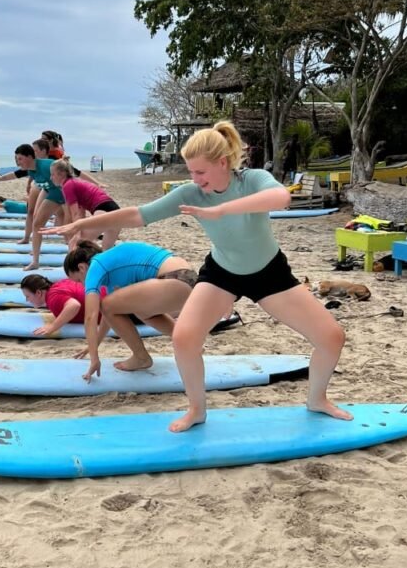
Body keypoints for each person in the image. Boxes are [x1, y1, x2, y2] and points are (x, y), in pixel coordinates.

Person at [45, 120, 350, 432]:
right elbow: (139, 214)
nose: (195, 178)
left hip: (270, 273)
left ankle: (317, 399)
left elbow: (281, 197)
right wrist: (81, 225)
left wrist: (224, 209)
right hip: (221, 273)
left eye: (200, 171)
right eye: (191, 171)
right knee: (184, 338)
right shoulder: (192, 193)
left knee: (331, 338)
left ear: (223, 162)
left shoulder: (252, 179)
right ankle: (196, 410)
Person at [62, 239, 197, 379]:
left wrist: (94, 359)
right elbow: (108, 317)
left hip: (174, 279)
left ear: (82, 267)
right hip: (189, 279)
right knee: (140, 311)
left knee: (106, 304)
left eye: (79, 280)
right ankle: (190, 343)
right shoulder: (110, 268)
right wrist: (94, 345)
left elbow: (91, 316)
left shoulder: (96, 265)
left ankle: (141, 357)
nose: (82, 285)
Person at [0, 141, 65, 269]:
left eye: (20, 159)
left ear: (29, 157)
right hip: (53, 195)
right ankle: (35, 261)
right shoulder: (30, 170)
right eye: (16, 159)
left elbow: (73, 173)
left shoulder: (47, 165)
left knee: (69, 226)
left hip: (67, 193)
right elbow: (12, 175)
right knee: (37, 223)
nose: (18, 163)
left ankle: (76, 251)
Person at [49, 159, 121, 249]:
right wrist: (79, 231)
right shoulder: (76, 182)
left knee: (75, 244)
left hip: (104, 209)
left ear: (62, 174)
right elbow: (81, 213)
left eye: (53, 174)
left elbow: (75, 214)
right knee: (106, 250)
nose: (51, 178)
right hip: (116, 211)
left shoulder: (68, 185)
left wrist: (77, 234)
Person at [20, 273, 104, 339]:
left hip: (108, 310)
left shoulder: (53, 298)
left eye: (28, 296)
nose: (27, 300)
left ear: (38, 293)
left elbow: (74, 305)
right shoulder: (60, 283)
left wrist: (52, 327)